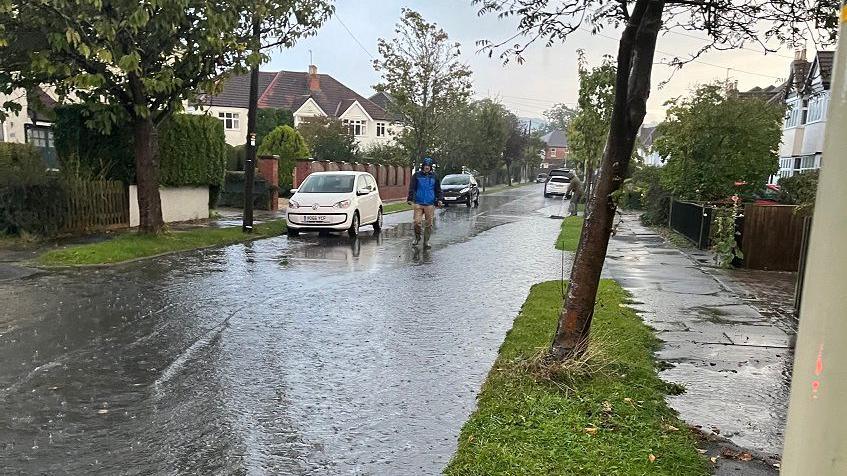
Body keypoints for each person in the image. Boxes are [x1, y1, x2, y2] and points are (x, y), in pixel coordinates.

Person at [407, 157, 443, 248]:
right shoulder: (417, 175)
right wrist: (410, 199)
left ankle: (426, 241)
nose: (427, 167)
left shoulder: (434, 176)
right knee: (417, 222)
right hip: (418, 202)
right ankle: (417, 237)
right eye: (425, 165)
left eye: (428, 166)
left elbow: (438, 189)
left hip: (430, 203)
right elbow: (412, 187)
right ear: (423, 166)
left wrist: (439, 199)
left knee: (429, 224)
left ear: (431, 167)